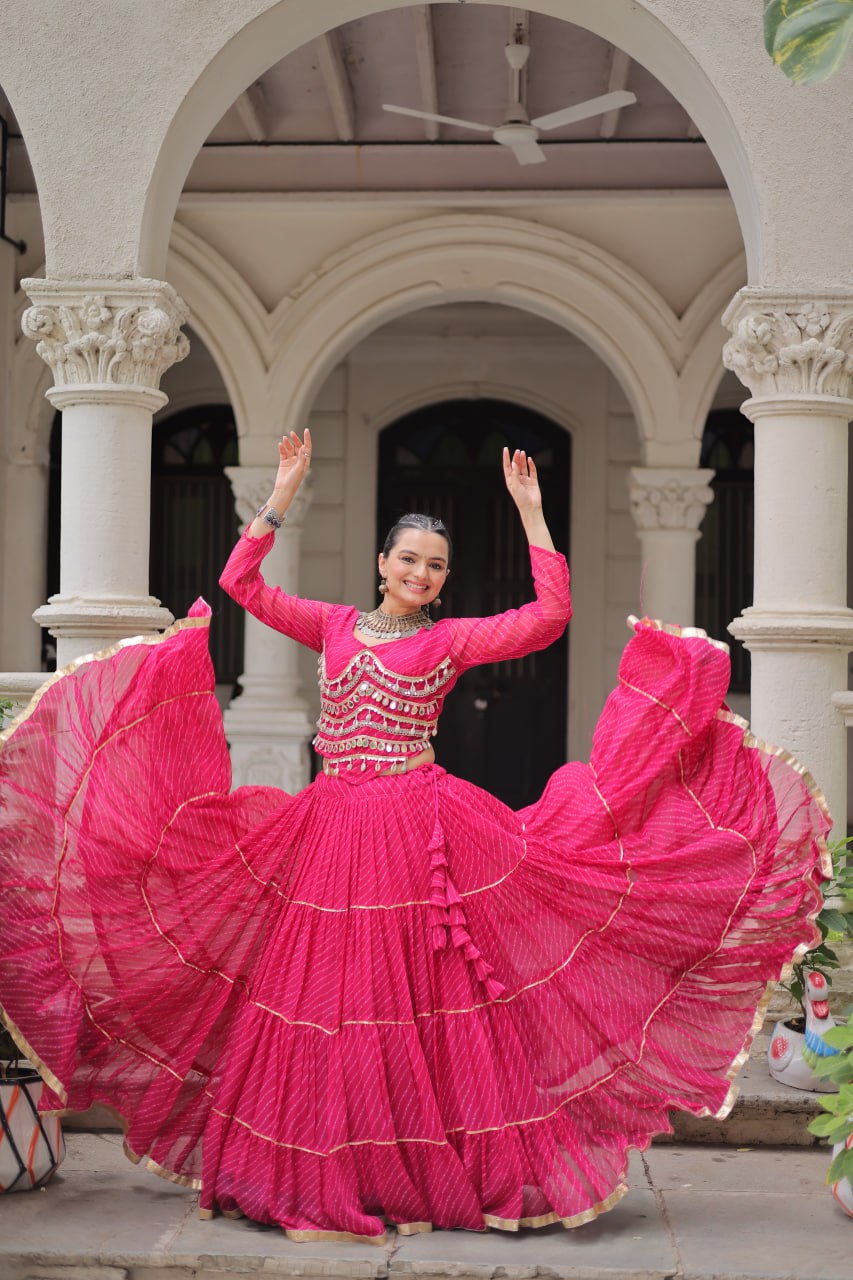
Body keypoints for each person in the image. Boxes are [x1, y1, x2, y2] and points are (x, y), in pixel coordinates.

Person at [0, 429, 830, 1242]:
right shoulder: (329, 625)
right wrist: (282, 493)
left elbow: (548, 617)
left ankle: (408, 1170)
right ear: (381, 564)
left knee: (408, 1003)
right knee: (318, 1002)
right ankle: (320, 1173)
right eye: (408, 560)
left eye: (434, 566)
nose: (420, 574)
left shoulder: (447, 640)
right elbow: (240, 584)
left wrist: (531, 513)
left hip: (414, 831)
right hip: (327, 829)